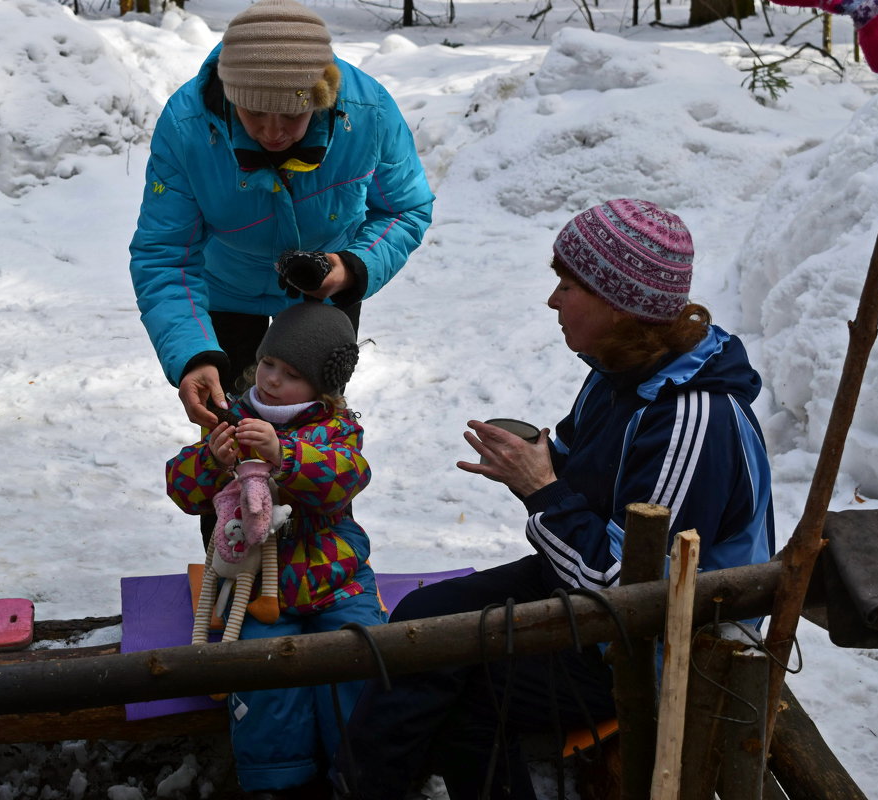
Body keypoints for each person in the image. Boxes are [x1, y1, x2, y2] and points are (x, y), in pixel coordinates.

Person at [331, 199, 776, 800]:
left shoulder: (692, 420)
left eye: (569, 285)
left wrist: (540, 488)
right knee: (420, 625)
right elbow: (575, 468)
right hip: (589, 592)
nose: (552, 300)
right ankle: (362, 785)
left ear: (620, 307)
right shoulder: (620, 372)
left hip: (659, 648)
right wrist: (538, 462)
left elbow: (631, 593)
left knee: (475, 693)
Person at [129, 0, 434, 430]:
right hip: (226, 292)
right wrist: (193, 356)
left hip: (324, 288)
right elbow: (165, 253)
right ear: (229, 95)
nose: (273, 133)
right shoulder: (189, 127)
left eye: (293, 115)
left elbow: (405, 207)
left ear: (323, 96)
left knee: (318, 438)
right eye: (253, 112)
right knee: (230, 438)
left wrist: (351, 268)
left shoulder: (369, 114)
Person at [166, 302, 386, 800]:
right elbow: (180, 488)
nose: (271, 380)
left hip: (335, 576)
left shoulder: (336, 428)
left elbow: (348, 475)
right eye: (268, 364)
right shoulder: (231, 417)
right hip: (255, 581)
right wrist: (209, 461)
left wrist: (285, 455)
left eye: (291, 374)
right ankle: (279, 781)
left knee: (360, 659)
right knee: (264, 678)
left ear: (322, 388)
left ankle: (362, 772)